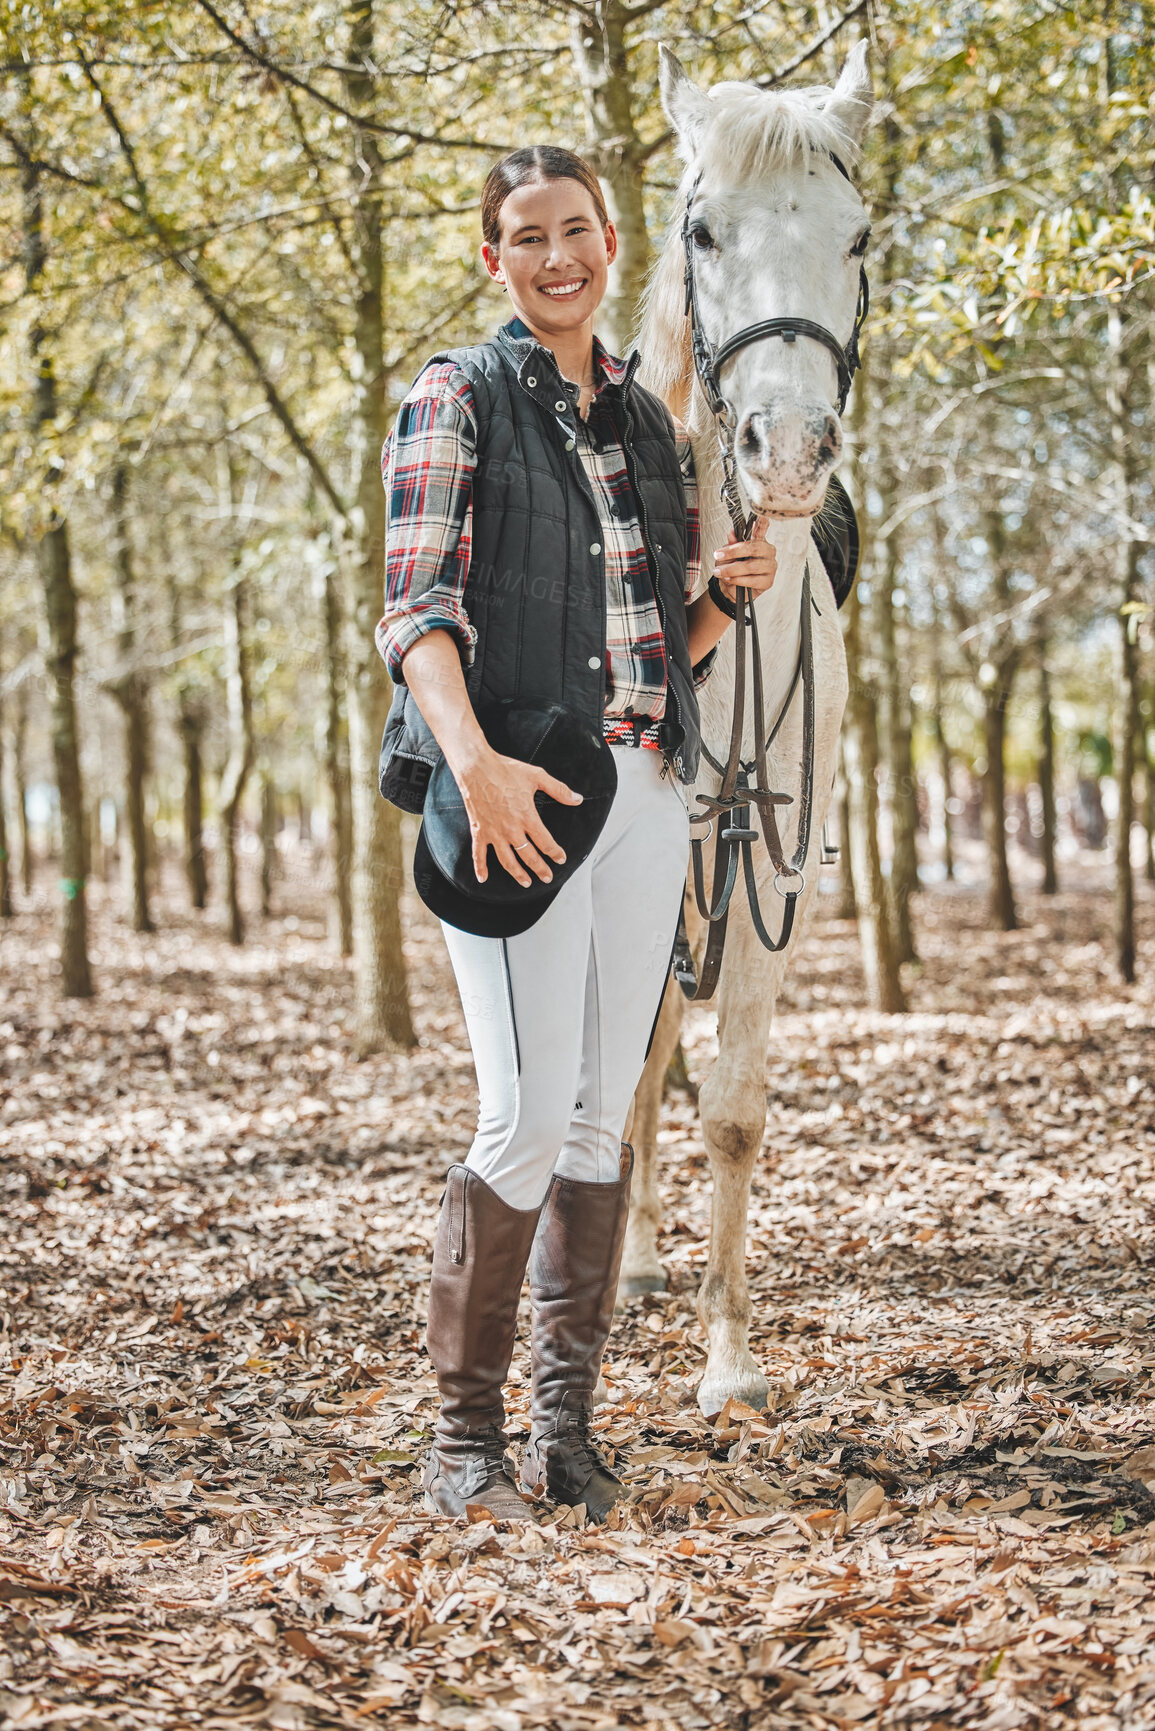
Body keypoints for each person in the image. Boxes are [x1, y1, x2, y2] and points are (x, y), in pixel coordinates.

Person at [376, 145, 779, 1522]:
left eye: (578, 231)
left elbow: (665, 647)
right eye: (526, 236)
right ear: (494, 256)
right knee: (527, 1113)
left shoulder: (646, 427)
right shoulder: (457, 397)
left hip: (648, 796)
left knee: (605, 1118)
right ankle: (464, 1445)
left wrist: (722, 595)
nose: (557, 257)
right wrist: (472, 764)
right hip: (518, 797)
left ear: (615, 242)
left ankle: (565, 1433)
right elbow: (414, 613)